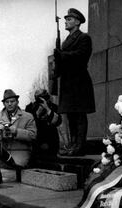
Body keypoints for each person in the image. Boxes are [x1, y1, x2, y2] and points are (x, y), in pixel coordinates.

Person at [54, 8, 95, 156]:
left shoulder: (84, 38)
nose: (66, 21)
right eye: (66, 19)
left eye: (69, 19)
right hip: (68, 82)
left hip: (79, 81)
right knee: (70, 116)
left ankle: (80, 146)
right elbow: (62, 61)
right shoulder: (66, 41)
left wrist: (62, 55)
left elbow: (81, 55)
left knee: (79, 115)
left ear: (77, 22)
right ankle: (72, 145)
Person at [0, 89, 37, 184]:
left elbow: (33, 135)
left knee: (20, 176)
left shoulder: (28, 116)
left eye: (12, 101)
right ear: (4, 104)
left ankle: (20, 170)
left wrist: (16, 132)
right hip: (5, 151)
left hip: (21, 151)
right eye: (7, 102)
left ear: (17, 102)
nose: (9, 104)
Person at [25, 89, 62, 160]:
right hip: (37, 142)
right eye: (38, 98)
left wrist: (48, 109)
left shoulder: (53, 107)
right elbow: (29, 125)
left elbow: (58, 122)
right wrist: (37, 114)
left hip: (51, 141)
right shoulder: (30, 108)